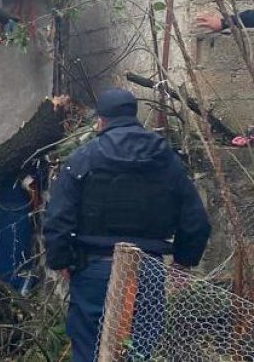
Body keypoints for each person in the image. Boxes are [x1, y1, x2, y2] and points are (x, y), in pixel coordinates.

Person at [43, 88, 211, 362]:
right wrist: (183, 263)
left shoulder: (84, 158)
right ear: (134, 116)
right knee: (138, 353)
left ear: (101, 121)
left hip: (94, 268)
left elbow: (59, 217)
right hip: (149, 269)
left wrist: (61, 260)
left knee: (89, 349)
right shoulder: (165, 159)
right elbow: (196, 219)